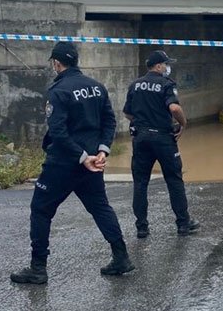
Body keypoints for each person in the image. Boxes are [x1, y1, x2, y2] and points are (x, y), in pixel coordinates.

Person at [11, 42, 134, 284]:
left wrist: (81, 157)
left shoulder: (59, 91)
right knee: (100, 207)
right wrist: (102, 151)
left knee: (41, 209)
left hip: (63, 164)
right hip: (90, 162)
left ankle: (38, 268)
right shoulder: (97, 87)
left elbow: (57, 130)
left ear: (56, 63)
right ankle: (121, 257)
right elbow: (109, 121)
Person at [123, 50, 199, 238]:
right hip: (163, 139)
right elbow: (174, 107)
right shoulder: (166, 84)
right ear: (158, 66)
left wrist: (142, 121)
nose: (167, 67)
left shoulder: (135, 85)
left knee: (140, 183)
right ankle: (183, 224)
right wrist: (183, 123)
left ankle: (142, 228)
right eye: (165, 64)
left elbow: (127, 113)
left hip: (140, 139)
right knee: (174, 180)